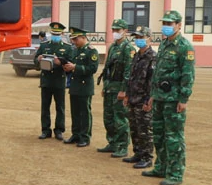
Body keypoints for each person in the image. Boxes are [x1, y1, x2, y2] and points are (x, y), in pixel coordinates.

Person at [143, 10, 195, 185]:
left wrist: (183, 98)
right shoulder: (164, 44)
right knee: (159, 135)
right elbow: (157, 72)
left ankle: (175, 173)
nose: (166, 26)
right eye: (164, 23)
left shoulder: (185, 47)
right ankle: (161, 167)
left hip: (173, 100)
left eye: (169, 24)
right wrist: (152, 95)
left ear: (179, 25)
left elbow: (188, 75)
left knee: (173, 137)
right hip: (159, 97)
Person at [97, 19, 135, 158]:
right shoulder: (113, 47)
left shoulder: (128, 48)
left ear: (125, 31)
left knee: (120, 118)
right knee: (108, 118)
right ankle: (112, 143)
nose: (115, 32)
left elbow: (128, 71)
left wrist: (124, 90)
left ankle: (122, 146)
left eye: (117, 30)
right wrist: (105, 86)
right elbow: (107, 68)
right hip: (110, 88)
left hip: (119, 88)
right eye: (113, 30)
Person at [33, 22, 74, 140]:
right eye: (53, 34)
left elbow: (70, 63)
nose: (55, 36)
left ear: (62, 34)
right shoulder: (44, 45)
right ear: (50, 34)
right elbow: (35, 61)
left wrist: (61, 62)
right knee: (45, 107)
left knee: (60, 107)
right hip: (46, 80)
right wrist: (38, 59)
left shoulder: (67, 47)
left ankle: (59, 130)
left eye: (57, 34)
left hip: (59, 80)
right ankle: (45, 130)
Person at [122, 26, 156, 169]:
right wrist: (127, 95)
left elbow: (152, 81)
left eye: (141, 37)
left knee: (145, 129)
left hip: (143, 99)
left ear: (149, 39)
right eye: (136, 38)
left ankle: (147, 157)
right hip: (133, 98)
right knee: (134, 128)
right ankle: (138, 153)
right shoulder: (136, 56)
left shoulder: (153, 57)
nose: (138, 40)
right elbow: (131, 78)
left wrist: (149, 100)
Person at [62, 26, 98, 147]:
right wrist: (68, 67)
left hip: (85, 86)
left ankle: (85, 137)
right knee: (75, 112)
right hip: (75, 85)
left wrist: (75, 67)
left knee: (85, 113)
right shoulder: (75, 50)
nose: (74, 42)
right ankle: (76, 134)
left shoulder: (91, 51)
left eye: (76, 39)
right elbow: (73, 65)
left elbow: (92, 68)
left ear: (83, 38)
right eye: (73, 39)